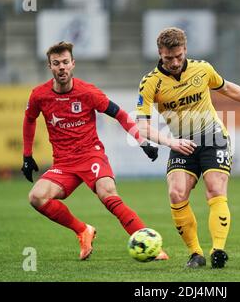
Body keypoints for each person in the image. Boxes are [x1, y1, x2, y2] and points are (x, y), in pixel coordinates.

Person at [135, 27, 240, 269]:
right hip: (181, 141)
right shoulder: (150, 83)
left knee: (215, 188)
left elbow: (226, 87)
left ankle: (218, 250)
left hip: (213, 136)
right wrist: (170, 142)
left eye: (179, 56)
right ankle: (195, 254)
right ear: (159, 53)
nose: (175, 62)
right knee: (176, 193)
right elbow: (142, 127)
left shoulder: (202, 69)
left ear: (185, 50)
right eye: (168, 58)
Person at [21, 41, 168, 261]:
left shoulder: (88, 92)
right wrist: (26, 155)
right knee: (36, 197)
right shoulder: (39, 95)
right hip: (63, 163)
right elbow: (29, 119)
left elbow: (119, 114)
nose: (61, 67)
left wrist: (141, 141)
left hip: (91, 155)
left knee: (108, 194)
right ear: (49, 67)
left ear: (73, 64)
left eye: (65, 62)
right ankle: (82, 230)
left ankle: (151, 247)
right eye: (56, 63)